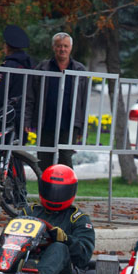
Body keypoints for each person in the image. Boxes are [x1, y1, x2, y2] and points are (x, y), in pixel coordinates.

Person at [23, 164, 95, 274]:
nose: (55, 195)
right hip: (27, 259)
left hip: (61, 273)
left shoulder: (78, 218)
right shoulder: (29, 213)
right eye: (50, 189)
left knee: (59, 247)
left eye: (61, 191)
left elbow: (83, 257)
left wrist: (66, 240)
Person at [33, 32, 89, 171]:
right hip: (46, 121)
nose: (62, 49)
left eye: (65, 46)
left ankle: (67, 186)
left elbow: (84, 101)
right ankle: (44, 185)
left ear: (70, 48)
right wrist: (29, 120)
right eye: (59, 46)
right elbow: (31, 95)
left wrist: (82, 126)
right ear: (53, 47)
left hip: (69, 124)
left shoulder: (79, 69)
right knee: (44, 161)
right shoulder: (43, 67)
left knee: (66, 160)